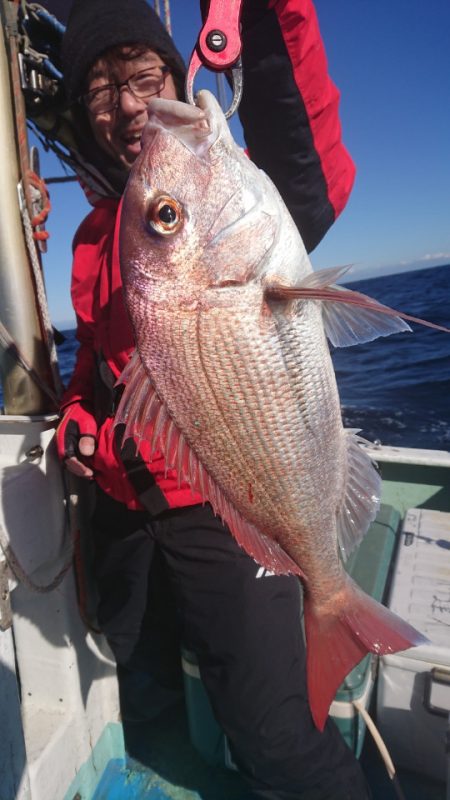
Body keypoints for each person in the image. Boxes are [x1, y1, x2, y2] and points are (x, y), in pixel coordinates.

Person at [57, 1, 370, 798]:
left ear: (178, 74)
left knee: (273, 736)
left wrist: (269, 15)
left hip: (219, 502)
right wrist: (79, 423)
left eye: (141, 75)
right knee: (148, 699)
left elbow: (310, 165)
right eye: (99, 90)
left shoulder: (234, 199)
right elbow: (95, 362)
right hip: (124, 515)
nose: (126, 105)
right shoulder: (100, 232)